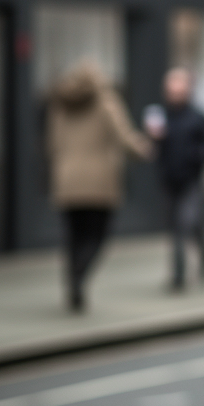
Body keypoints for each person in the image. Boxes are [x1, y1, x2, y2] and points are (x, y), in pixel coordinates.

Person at [46, 60, 151, 312]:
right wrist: (143, 148)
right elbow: (124, 137)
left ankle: (72, 281)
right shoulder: (106, 101)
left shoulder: (60, 104)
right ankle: (79, 278)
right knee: (97, 235)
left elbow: (51, 142)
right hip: (99, 179)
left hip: (67, 178)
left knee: (73, 235)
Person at [149, 67, 204, 290]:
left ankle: (180, 275)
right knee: (180, 226)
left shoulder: (198, 117)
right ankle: (202, 254)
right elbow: (155, 148)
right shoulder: (161, 116)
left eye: (179, 90)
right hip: (169, 180)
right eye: (171, 90)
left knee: (184, 223)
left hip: (192, 180)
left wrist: (196, 158)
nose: (175, 94)